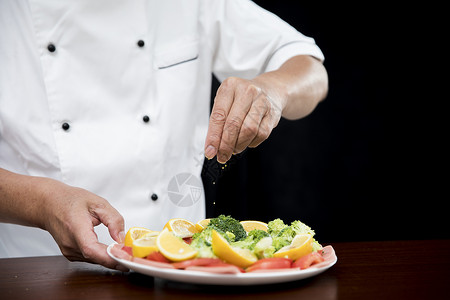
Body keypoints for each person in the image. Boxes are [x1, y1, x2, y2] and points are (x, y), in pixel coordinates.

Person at [0, 0, 328, 270]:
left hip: (183, 270)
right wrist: (43, 202)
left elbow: (311, 69)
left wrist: (273, 90)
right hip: (36, 270)